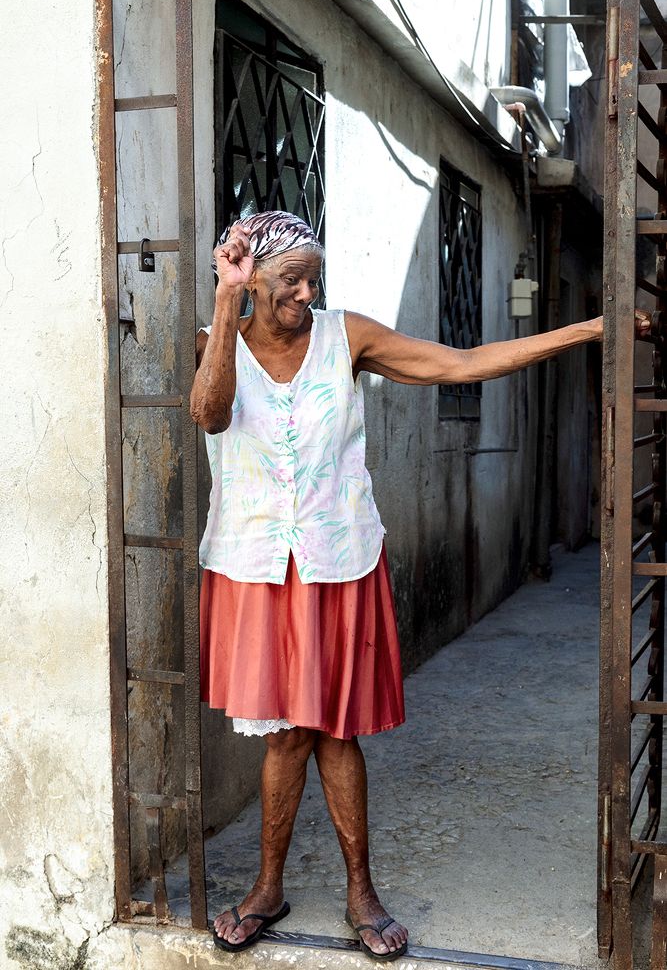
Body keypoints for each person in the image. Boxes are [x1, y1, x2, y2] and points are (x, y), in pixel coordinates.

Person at [190, 210, 649, 961]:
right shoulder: (222, 344)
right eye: (291, 280)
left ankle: (359, 891)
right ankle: (267, 888)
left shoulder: (348, 338)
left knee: (334, 729)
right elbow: (208, 416)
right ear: (252, 278)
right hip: (256, 568)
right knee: (287, 731)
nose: (307, 293)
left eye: (315, 278)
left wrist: (587, 330)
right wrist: (223, 300)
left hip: (338, 560)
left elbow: (459, 364)